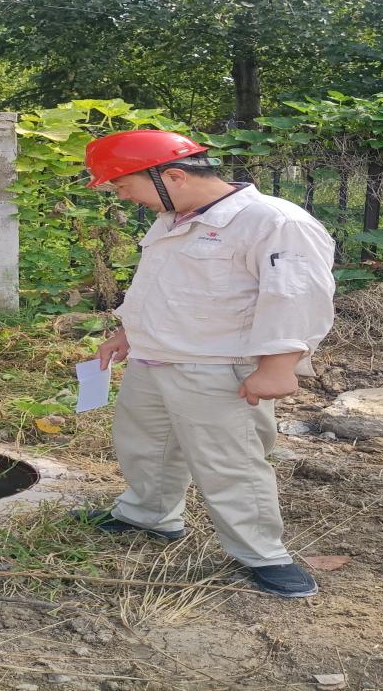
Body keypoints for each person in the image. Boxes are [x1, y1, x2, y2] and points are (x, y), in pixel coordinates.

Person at [72, 130, 336, 598]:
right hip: (155, 357)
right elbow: (162, 283)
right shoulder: (172, 218)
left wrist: (278, 366)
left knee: (230, 464)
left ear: (173, 176)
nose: (123, 196)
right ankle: (148, 516)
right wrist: (128, 332)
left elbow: (295, 296)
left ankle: (263, 554)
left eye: (123, 185)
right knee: (145, 446)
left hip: (217, 365)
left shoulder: (273, 222)